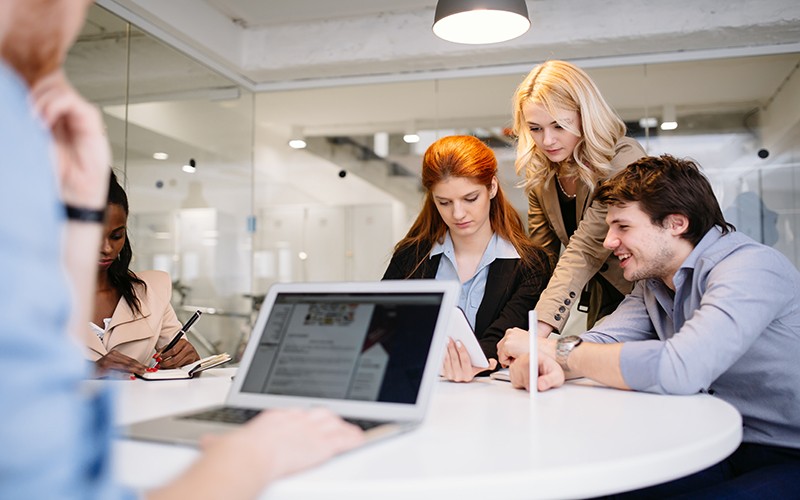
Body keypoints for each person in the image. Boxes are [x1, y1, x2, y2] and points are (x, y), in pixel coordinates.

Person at [0, 1, 363, 499]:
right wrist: (250, 456)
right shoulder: (12, 125)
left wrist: (181, 359)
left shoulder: (143, 287)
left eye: (114, 233)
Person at [506, 155, 800, 496]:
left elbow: (681, 367)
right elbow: (602, 340)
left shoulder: (750, 268)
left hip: (786, 451)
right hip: (713, 444)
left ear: (676, 223)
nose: (608, 242)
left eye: (623, 227)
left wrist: (556, 350)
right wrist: (546, 363)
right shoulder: (655, 283)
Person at [383, 135, 552, 382]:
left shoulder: (530, 265)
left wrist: (473, 363)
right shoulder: (410, 257)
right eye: (444, 202)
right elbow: (382, 324)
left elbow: (504, 337)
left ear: (492, 187)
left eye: (470, 198)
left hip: (496, 399)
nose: (458, 213)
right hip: (420, 386)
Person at [511, 60, 647, 339]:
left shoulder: (622, 158)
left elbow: (586, 246)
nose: (547, 140)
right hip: (598, 297)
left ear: (585, 115)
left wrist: (538, 331)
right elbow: (541, 260)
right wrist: (513, 325)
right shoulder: (542, 178)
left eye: (559, 126)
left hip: (643, 293)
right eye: (535, 128)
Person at [88, 171, 200, 376]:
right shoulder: (34, 297)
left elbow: (180, 364)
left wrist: (190, 362)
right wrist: (90, 370)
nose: (106, 248)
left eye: (116, 236)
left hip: (143, 408)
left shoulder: (152, 290)